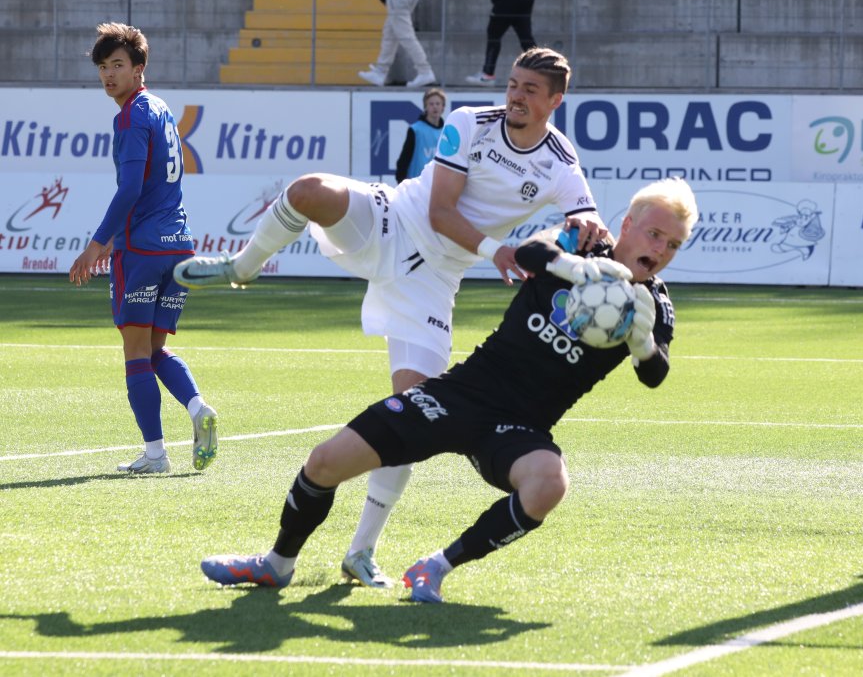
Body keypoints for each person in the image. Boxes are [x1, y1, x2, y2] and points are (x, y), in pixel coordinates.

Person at [174, 46, 605, 588]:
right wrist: (498, 250)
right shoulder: (470, 123)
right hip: (392, 220)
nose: (516, 96)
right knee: (308, 190)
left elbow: (585, 215)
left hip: (431, 282)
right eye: (513, 84)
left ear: (555, 100)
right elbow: (439, 211)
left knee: (412, 417)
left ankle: (361, 551)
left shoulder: (560, 160)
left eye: (530, 90)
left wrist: (587, 226)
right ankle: (242, 266)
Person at [199, 178, 699, 601]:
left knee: (549, 483)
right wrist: (574, 268)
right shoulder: (583, 242)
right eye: (653, 234)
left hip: (519, 426)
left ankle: (435, 567)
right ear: (628, 226)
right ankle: (277, 563)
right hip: (463, 393)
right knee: (326, 462)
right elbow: (530, 251)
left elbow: (655, 375)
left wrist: (642, 341)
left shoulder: (654, 305)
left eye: (672, 245)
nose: (659, 251)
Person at [68, 22, 218, 475]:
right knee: (154, 350)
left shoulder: (131, 116)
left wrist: (96, 245)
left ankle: (156, 455)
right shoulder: (160, 108)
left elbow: (130, 188)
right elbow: (155, 184)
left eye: (118, 65)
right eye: (102, 67)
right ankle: (197, 409)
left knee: (135, 352)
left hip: (144, 250)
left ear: (138, 69)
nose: (108, 75)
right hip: (178, 246)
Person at [395, 87, 446, 183]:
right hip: (417, 184)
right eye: (431, 104)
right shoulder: (415, 130)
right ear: (425, 107)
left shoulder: (447, 131)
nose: (435, 107)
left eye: (438, 104)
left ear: (443, 107)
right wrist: (401, 182)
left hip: (439, 185)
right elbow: (404, 160)